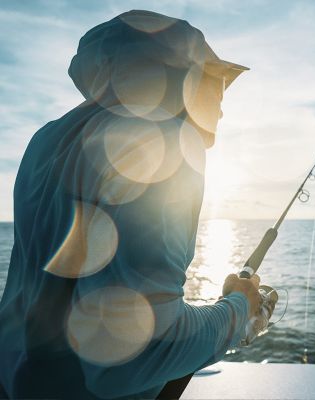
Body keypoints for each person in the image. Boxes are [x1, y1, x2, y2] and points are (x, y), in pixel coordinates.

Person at [0, 10, 262, 400]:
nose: (223, 105)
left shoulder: (45, 141)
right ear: (182, 78)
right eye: (217, 81)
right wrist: (240, 311)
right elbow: (131, 358)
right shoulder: (165, 145)